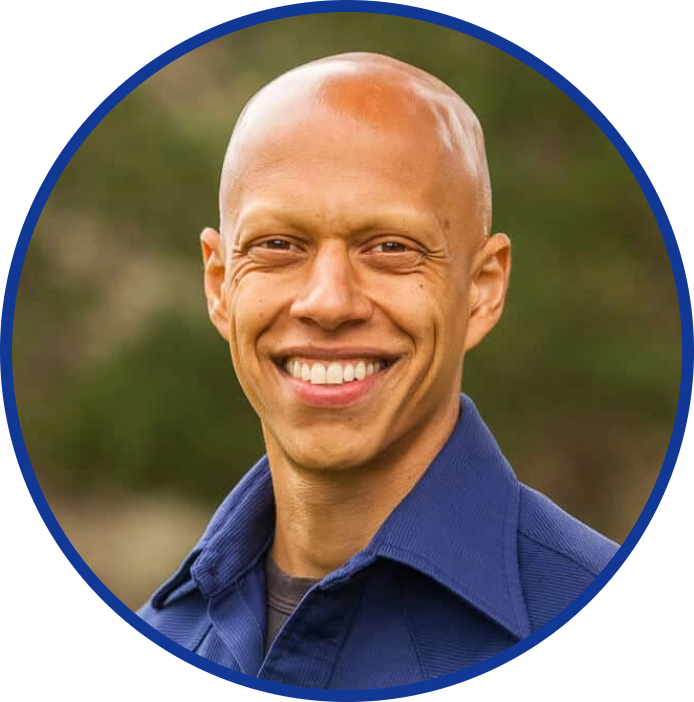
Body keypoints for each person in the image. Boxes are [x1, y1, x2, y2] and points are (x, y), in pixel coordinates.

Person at [138, 52, 619, 689]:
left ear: (481, 287)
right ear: (220, 283)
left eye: (390, 248)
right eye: (279, 245)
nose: (329, 302)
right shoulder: (163, 626)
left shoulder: (573, 596)